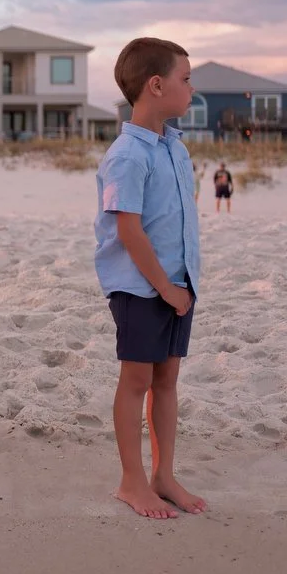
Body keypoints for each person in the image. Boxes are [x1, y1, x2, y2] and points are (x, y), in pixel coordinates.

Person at [94, 36, 207, 520]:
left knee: (167, 379)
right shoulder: (127, 154)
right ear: (156, 85)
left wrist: (180, 285)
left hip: (178, 284)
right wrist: (163, 287)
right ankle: (131, 480)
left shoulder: (175, 149)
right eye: (185, 79)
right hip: (141, 287)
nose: (192, 87)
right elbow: (128, 228)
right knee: (136, 380)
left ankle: (163, 474)